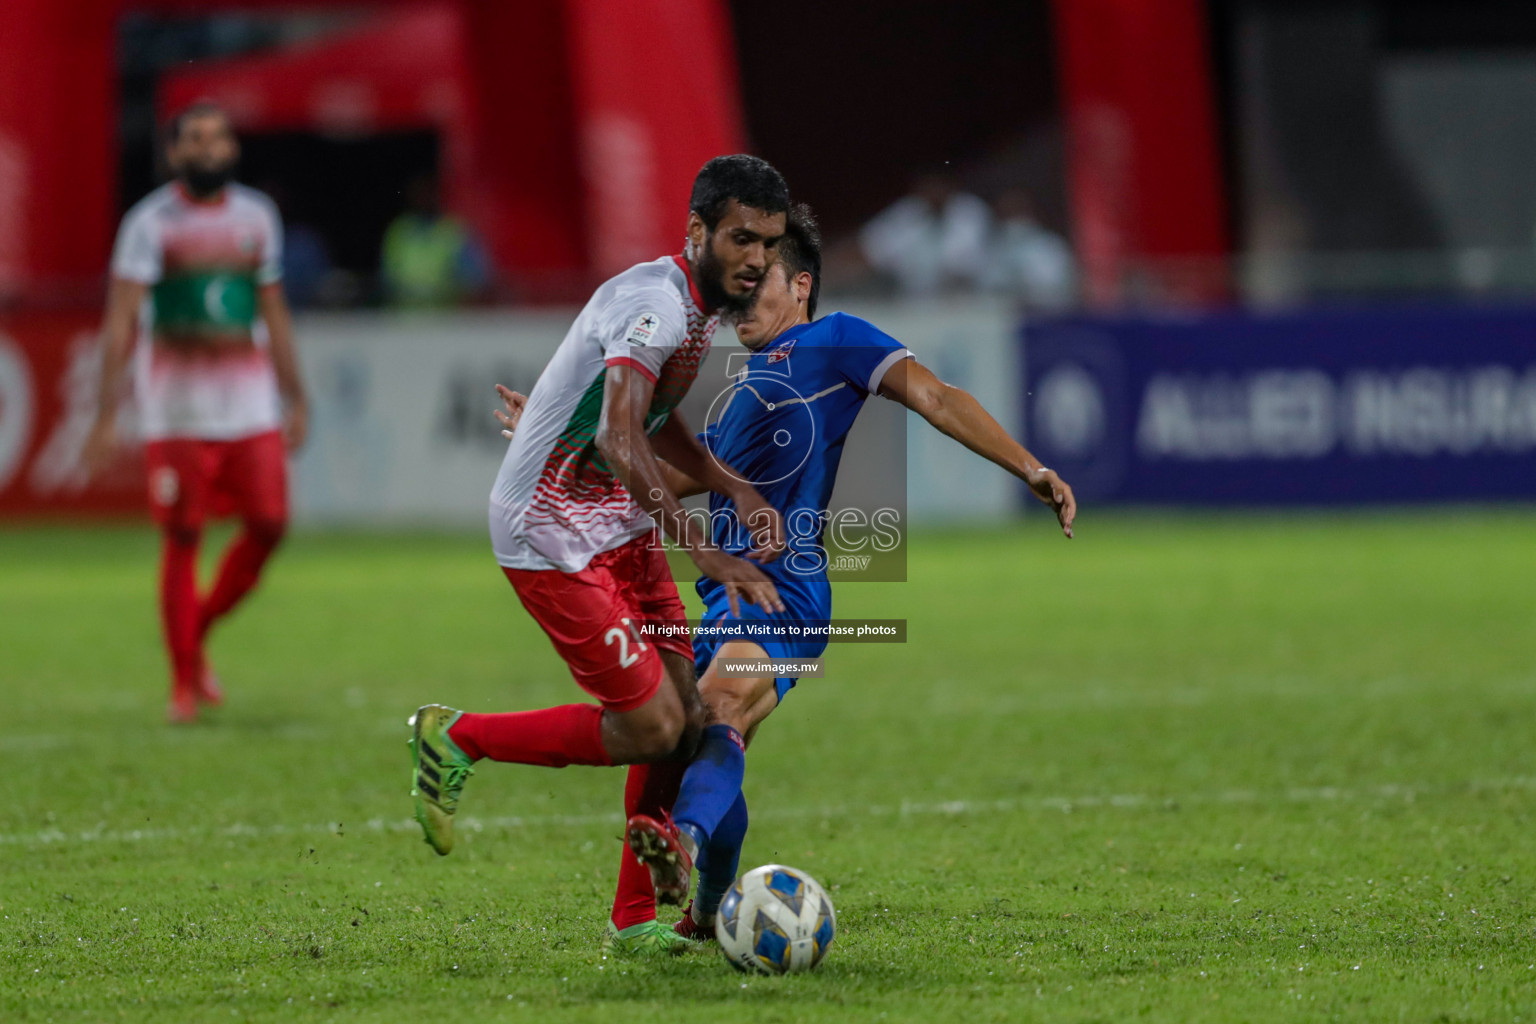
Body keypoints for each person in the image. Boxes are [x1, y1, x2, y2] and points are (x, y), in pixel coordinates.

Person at [496, 204, 1077, 953]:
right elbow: (667, 477)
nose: (741, 296)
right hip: (724, 599)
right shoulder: (738, 386)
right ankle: (705, 913)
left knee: (720, 706)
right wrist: (556, 434)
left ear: (800, 284)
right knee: (694, 733)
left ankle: (683, 841)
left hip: (792, 598)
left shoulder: (837, 341)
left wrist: (1028, 466)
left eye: (760, 278)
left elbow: (937, 396)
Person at [405, 158, 795, 945]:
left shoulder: (696, 307)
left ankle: (632, 919)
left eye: (769, 244)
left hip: (615, 522)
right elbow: (622, 435)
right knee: (651, 728)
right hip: (548, 533)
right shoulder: (656, 306)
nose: (756, 259)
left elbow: (655, 411)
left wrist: (728, 484)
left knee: (685, 719)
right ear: (697, 233)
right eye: (741, 239)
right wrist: (705, 553)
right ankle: (457, 737)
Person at [84, 101, 309, 724]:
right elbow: (121, 319)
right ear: (175, 152)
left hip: (250, 408)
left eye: (218, 137)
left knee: (269, 523)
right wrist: (106, 413)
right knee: (183, 538)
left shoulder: (256, 216)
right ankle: (183, 681)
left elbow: (273, 311)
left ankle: (198, 633)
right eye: (195, 139)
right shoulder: (148, 223)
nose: (208, 148)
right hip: (177, 412)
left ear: (232, 148)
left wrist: (297, 395)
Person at [857, 171, 992, 296]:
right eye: (929, 190)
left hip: (965, 291)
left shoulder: (971, 209)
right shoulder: (907, 210)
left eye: (938, 188)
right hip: (913, 292)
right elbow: (877, 245)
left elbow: (966, 258)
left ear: (949, 188)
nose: (934, 194)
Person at [380, 175, 493, 307]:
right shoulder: (400, 230)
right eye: (418, 195)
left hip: (444, 316)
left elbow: (477, 278)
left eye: (427, 194)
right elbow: (385, 278)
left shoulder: (453, 231)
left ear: (436, 196)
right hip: (405, 315)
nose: (423, 200)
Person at [983, 189, 1077, 310]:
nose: (1013, 220)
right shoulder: (995, 245)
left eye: (1017, 212)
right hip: (1002, 315)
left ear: (1029, 213)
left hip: (1048, 315)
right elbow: (987, 284)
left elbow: (1053, 286)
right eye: (1007, 214)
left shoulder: (1051, 246)